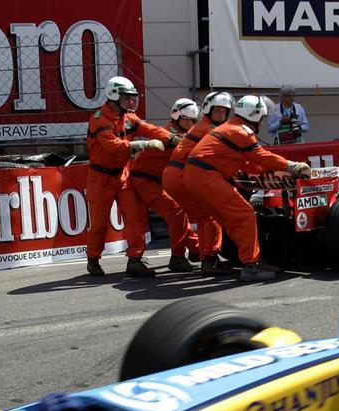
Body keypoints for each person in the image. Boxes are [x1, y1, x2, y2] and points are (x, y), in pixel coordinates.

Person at [184, 95, 311, 282]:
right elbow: (260, 156)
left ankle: (252, 260)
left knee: (229, 220)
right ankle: (251, 266)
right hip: (206, 176)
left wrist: (273, 169)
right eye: (262, 117)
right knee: (245, 214)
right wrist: (292, 166)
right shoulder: (240, 132)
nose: (262, 122)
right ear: (254, 115)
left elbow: (249, 162)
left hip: (195, 176)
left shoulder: (230, 128)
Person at [85, 75, 176, 278]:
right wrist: (143, 144)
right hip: (100, 178)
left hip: (122, 176)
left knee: (135, 217)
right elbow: (114, 146)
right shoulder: (99, 119)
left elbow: (149, 129)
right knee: (99, 224)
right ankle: (93, 259)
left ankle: (135, 259)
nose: (132, 101)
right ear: (114, 96)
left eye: (132, 97)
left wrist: (171, 138)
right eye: (127, 97)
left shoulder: (128, 117)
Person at [163, 91, 236, 276]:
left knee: (202, 217)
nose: (220, 115)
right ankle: (210, 259)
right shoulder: (210, 129)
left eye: (223, 111)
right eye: (217, 111)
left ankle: (204, 256)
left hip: (173, 175)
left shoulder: (203, 126)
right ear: (209, 111)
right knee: (211, 214)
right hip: (182, 175)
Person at [128, 98, 200, 273]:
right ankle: (178, 256)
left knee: (179, 212)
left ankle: (196, 248)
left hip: (158, 180)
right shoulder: (168, 135)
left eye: (193, 120)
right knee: (176, 213)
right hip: (145, 181)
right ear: (177, 117)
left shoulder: (183, 136)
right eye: (186, 119)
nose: (189, 123)